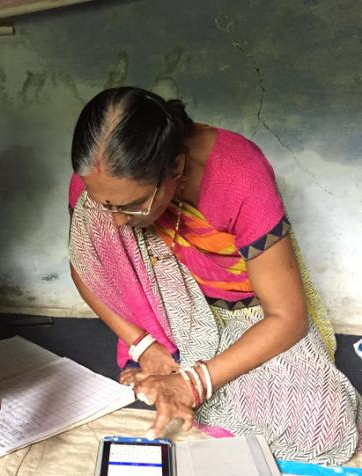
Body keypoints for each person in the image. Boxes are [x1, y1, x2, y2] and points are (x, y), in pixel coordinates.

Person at [67, 86, 361, 465]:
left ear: (175, 168)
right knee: (92, 218)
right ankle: (177, 358)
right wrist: (142, 345)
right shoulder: (98, 187)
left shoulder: (239, 173)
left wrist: (192, 382)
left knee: (323, 422)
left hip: (248, 314)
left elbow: (286, 317)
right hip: (166, 315)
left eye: (134, 205)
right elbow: (86, 269)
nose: (121, 221)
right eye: (110, 203)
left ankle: (195, 370)